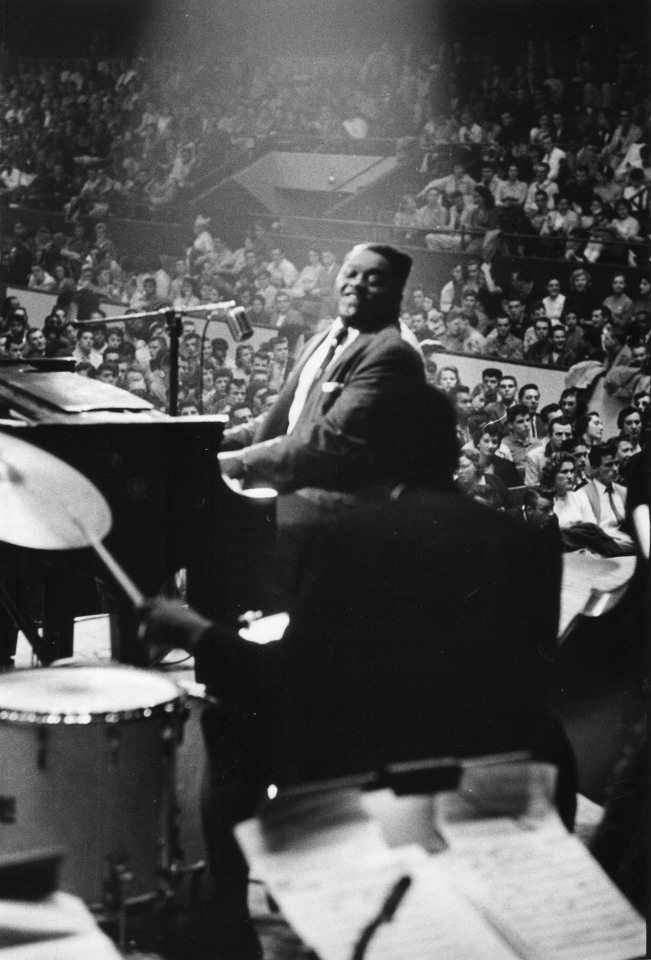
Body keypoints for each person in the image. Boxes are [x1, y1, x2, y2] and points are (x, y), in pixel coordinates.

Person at [139, 382, 576, 955]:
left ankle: (228, 923)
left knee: (227, 720)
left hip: (377, 768)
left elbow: (289, 683)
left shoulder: (348, 536)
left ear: (374, 453)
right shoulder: (530, 543)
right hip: (506, 768)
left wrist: (195, 631)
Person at [218, 242, 425, 593]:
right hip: (294, 502)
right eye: (351, 272)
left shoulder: (392, 352)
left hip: (332, 520)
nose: (356, 284)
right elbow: (292, 415)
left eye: (373, 278)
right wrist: (216, 438)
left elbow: (326, 441)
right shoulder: (325, 337)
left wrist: (239, 461)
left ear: (397, 294)